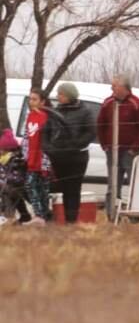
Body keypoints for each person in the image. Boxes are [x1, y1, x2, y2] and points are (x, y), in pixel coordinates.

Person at [42, 82, 98, 224]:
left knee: (72, 189)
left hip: (76, 158)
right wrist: (49, 148)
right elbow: (46, 132)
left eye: (60, 94)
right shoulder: (56, 111)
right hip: (57, 157)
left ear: (69, 95)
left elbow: (90, 132)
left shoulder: (85, 111)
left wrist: (74, 145)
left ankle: (71, 220)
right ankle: (48, 216)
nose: (58, 96)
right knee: (54, 186)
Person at [96, 75, 139, 215]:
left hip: (130, 152)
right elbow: (100, 125)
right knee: (113, 184)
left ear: (124, 88)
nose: (111, 89)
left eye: (114, 86)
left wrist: (134, 149)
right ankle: (112, 214)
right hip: (112, 151)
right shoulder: (107, 103)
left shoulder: (136, 104)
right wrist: (105, 145)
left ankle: (136, 214)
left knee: (135, 184)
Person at [21, 89, 52, 224]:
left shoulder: (48, 117)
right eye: (30, 99)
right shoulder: (30, 116)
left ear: (42, 102)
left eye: (35, 99)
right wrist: (25, 154)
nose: (31, 102)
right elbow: (26, 137)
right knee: (29, 185)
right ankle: (39, 216)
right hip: (31, 158)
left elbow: (50, 139)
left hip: (43, 159)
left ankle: (44, 216)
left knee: (43, 189)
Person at [0, 129, 30, 225]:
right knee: (9, 191)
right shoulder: (4, 159)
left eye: (1, 149)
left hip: (19, 184)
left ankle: (8, 216)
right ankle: (24, 215)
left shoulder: (16, 159)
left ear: (7, 149)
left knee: (7, 192)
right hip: (14, 185)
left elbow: (15, 176)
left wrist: (4, 182)